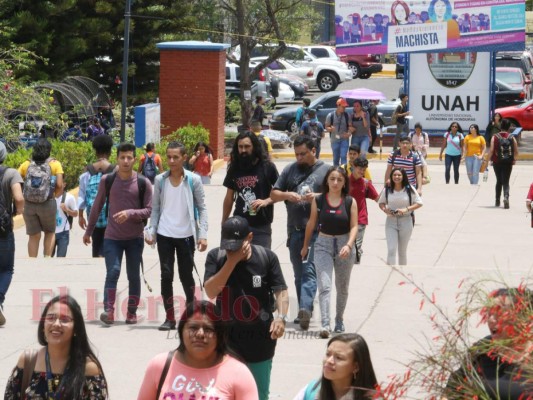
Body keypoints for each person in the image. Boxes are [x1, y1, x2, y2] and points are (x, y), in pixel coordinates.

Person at [204, 216, 289, 400]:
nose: (231, 249)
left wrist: (281, 317)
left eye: (236, 245)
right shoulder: (215, 257)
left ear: (249, 237)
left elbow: (281, 291)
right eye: (227, 245)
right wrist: (231, 262)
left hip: (260, 341)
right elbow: (211, 291)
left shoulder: (267, 258)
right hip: (226, 341)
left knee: (258, 395)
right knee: (224, 394)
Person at [83, 142, 153, 325]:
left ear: (134, 160)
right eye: (122, 157)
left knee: (132, 275)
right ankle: (109, 311)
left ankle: (131, 312)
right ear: (117, 159)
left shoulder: (143, 182)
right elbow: (97, 206)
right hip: (112, 237)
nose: (125, 161)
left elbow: (149, 210)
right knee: (112, 272)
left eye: (129, 157)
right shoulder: (108, 180)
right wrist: (88, 231)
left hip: (134, 239)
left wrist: (130, 213)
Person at [137, 300, 258, 400]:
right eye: (193, 327)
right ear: (181, 331)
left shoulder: (239, 373)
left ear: (219, 335)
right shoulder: (159, 365)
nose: (200, 334)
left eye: (208, 329)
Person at [147, 141, 208, 331]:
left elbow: (202, 208)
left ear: (183, 158)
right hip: (165, 234)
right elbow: (155, 209)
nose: (171, 161)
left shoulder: (193, 180)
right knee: (166, 275)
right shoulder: (160, 180)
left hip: (187, 235)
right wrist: (151, 231)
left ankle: (191, 314)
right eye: (169, 157)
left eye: (176, 157)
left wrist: (202, 234)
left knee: (186, 275)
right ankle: (170, 318)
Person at [271, 136, 330, 329]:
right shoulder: (290, 169)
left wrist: (318, 196)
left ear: (314, 150)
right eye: (296, 154)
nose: (299, 158)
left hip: (317, 232)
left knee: (309, 271)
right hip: (294, 231)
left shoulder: (326, 171)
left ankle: (305, 308)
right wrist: (288, 195)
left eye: (303, 154)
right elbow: (274, 194)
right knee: (298, 273)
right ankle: (305, 311)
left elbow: (339, 195)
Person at [4, 295, 108, 398]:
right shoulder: (28, 361)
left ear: (76, 328)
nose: (56, 324)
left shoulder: (88, 368)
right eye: (51, 318)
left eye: (65, 319)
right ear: (43, 326)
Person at [444, 288, 533, 399]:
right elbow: (453, 389)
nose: (491, 319)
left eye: (500, 312)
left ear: (523, 317)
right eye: (489, 313)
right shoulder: (482, 349)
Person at [301, 167, 357, 338]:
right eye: (332, 179)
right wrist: (305, 246)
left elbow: (355, 226)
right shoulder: (318, 200)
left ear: (344, 183)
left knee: (342, 287)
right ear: (326, 181)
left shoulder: (349, 201)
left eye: (339, 180)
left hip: (344, 246)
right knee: (324, 286)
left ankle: (339, 319)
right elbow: (311, 224)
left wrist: (348, 245)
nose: (335, 183)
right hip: (323, 245)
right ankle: (325, 324)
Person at [222, 131, 279, 249]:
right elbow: (229, 197)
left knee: (261, 263)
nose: (243, 150)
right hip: (239, 225)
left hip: (261, 226)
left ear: (254, 147)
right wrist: (224, 222)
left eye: (247, 146)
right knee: (237, 264)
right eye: (240, 147)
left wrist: (266, 201)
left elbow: (280, 192)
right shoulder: (234, 168)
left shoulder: (267, 167)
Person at [293, 333, 379, 400]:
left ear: (356, 367)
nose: (329, 361)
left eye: (339, 358)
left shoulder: (373, 398)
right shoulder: (311, 391)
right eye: (328, 354)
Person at [18, 138, 64, 257]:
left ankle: (32, 262)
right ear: (49, 150)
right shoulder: (54, 164)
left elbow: (17, 181)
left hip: (28, 204)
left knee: (33, 235)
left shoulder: (27, 164)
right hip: (47, 203)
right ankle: (47, 260)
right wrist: (54, 196)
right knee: (49, 232)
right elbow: (59, 184)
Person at [78, 135, 115, 258]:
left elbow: (82, 195)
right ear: (110, 151)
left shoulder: (87, 170)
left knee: (96, 241)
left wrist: (80, 216)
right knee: (110, 244)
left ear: (95, 151)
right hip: (111, 215)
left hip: (93, 214)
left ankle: (97, 257)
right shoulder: (115, 170)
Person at [378, 167, 423, 266]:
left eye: (399, 175)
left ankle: (402, 274)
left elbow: (419, 203)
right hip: (391, 221)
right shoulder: (387, 189)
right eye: (394, 175)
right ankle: (391, 271)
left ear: (403, 176)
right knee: (391, 249)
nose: (396, 177)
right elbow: (381, 202)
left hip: (406, 221)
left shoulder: (409, 188)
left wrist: (406, 209)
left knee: (402, 251)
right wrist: (385, 209)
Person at [0, 142, 24, 326]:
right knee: (7, 268)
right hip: (3, 229)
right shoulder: (11, 173)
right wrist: (17, 212)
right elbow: (19, 198)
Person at [347, 157, 379, 264]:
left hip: (360, 219)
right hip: (345, 218)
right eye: (359, 169)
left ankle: (356, 263)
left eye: (364, 170)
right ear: (353, 167)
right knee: (346, 245)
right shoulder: (344, 182)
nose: (362, 172)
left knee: (356, 246)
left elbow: (377, 198)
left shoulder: (366, 183)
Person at [487, 119, 518, 209]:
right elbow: (516, 150)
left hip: (497, 161)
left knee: (499, 180)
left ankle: (497, 200)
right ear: (509, 127)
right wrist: (514, 159)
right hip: (508, 162)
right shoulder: (511, 137)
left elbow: (491, 150)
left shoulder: (495, 136)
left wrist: (488, 160)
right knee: (506, 181)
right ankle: (506, 197)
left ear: (501, 126)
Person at [53, 181, 78, 257]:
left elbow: (75, 213)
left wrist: (67, 210)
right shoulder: (49, 197)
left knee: (61, 259)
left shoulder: (69, 197)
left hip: (63, 233)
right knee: (47, 257)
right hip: (50, 233)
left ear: (64, 184)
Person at [325, 98, 351, 167]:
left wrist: (349, 133)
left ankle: (343, 172)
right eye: (343, 107)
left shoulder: (347, 115)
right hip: (334, 140)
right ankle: (336, 172)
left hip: (344, 139)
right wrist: (330, 129)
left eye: (345, 107)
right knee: (336, 158)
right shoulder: (330, 116)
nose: (344, 108)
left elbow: (350, 127)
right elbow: (326, 127)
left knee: (343, 156)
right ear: (338, 106)